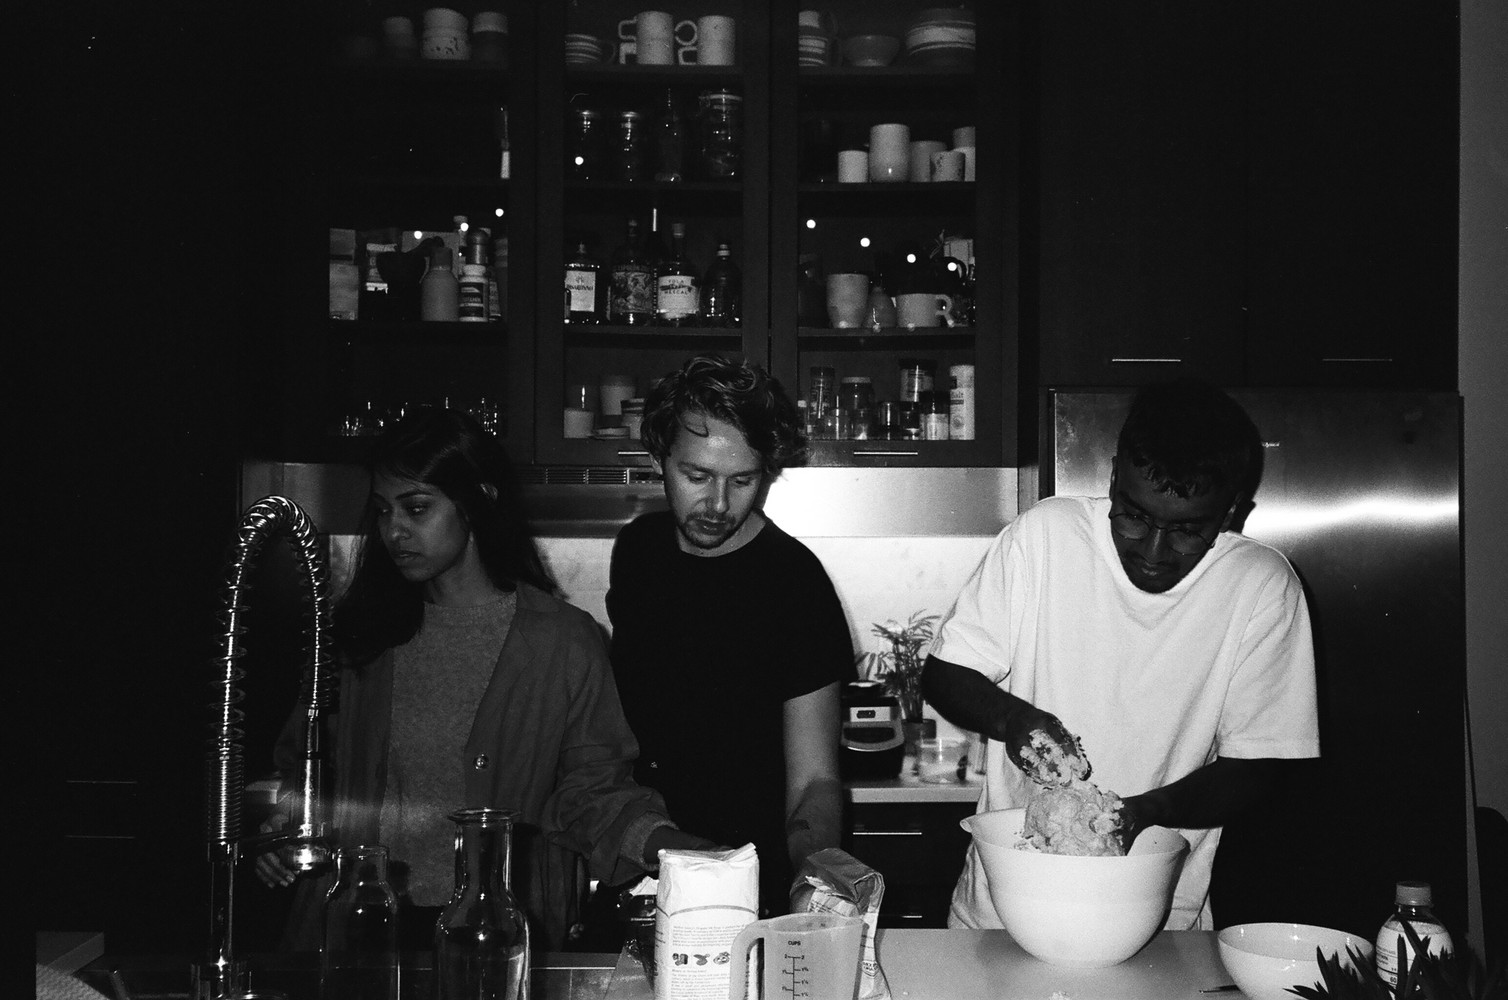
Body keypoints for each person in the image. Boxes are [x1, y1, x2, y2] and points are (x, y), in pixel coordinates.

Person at [255, 407, 711, 951]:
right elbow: (307, 774)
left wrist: (673, 846)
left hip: (500, 935)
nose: (393, 530)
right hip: (360, 932)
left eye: (416, 508)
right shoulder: (357, 639)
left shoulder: (562, 642)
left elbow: (594, 791)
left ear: (478, 501)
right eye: (382, 511)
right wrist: (285, 828)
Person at [922, 377, 1319, 930]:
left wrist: (1144, 814)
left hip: (1157, 920)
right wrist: (1011, 719)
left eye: (1187, 531)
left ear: (1231, 512)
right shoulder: (1045, 537)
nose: (1153, 551)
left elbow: (1259, 767)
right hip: (1004, 911)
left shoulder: (1260, 585)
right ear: (1112, 478)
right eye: (1133, 515)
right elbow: (944, 674)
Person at [607, 354, 856, 913]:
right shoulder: (639, 551)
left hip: (751, 881)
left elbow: (814, 781)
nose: (718, 505)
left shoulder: (795, 582)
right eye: (697, 477)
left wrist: (812, 876)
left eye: (742, 480)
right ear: (658, 458)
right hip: (642, 867)